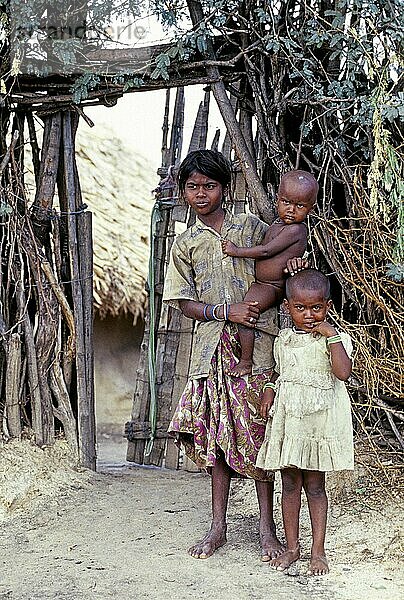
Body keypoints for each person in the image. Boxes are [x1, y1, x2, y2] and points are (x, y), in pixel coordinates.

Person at [163, 149, 305, 561]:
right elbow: (181, 301)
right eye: (192, 187)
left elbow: (279, 264)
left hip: (257, 347)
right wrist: (223, 311)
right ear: (183, 191)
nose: (201, 194)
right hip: (210, 351)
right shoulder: (185, 243)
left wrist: (296, 266)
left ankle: (266, 528)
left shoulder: (253, 227)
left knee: (258, 436)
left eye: (209, 186)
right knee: (215, 438)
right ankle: (218, 525)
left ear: (225, 187)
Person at [256, 269, 354, 576]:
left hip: (318, 427)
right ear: (287, 307)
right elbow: (280, 373)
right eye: (300, 308)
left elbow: (342, 373)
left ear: (327, 306)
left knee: (315, 485)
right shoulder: (283, 340)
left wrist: (330, 335)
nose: (309, 315)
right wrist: (269, 391)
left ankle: (318, 551)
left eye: (316, 308)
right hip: (291, 425)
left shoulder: (335, 339)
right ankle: (293, 548)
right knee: (289, 485)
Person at [221, 170, 318, 377]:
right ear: (278, 199)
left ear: (311, 208)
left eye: (299, 206)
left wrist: (236, 251)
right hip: (262, 283)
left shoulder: (296, 230)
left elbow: (266, 251)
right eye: (286, 202)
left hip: (273, 286)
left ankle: (246, 361)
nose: (291, 210)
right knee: (246, 313)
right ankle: (245, 358)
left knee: (246, 314)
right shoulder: (277, 223)